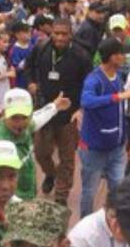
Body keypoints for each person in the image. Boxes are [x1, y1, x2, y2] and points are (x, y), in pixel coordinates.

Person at [26, 17, 91, 203]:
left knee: (67, 157)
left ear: (71, 34)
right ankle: (50, 174)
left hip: (69, 114)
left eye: (64, 34)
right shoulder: (41, 48)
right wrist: (31, 82)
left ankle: (62, 195)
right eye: (57, 33)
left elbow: (89, 84)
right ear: (51, 33)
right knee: (40, 152)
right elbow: (28, 66)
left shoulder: (81, 55)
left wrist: (81, 109)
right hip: (45, 110)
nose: (60, 37)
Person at [78, 38, 130, 218]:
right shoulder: (94, 79)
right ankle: (85, 224)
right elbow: (86, 101)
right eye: (121, 53)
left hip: (116, 147)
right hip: (94, 148)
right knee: (89, 191)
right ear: (112, 57)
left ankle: (114, 222)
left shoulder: (117, 76)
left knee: (118, 187)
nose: (124, 57)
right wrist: (116, 97)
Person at [0, 88, 68, 200]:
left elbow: (38, 119)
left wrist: (55, 106)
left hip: (28, 196)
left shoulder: (26, 126)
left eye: (24, 117)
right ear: (4, 114)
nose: (20, 123)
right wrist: (24, 206)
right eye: (14, 117)